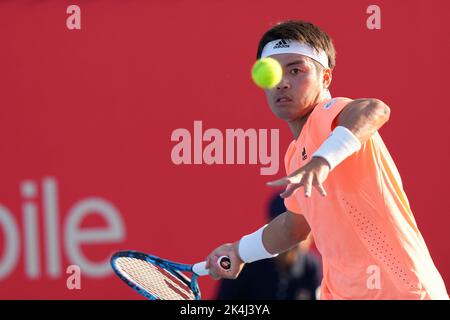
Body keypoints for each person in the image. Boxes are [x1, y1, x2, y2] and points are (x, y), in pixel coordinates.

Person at [205, 20, 449, 300]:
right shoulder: (295, 155)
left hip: (399, 291)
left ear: (326, 79)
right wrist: (239, 252)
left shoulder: (327, 115)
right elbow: (294, 226)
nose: (283, 82)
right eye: (273, 73)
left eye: (296, 70)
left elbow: (375, 108)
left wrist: (323, 160)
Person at [216, 194, 322, 300]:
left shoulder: (311, 266)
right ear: (270, 226)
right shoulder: (245, 261)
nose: (294, 233)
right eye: (287, 226)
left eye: (303, 223)